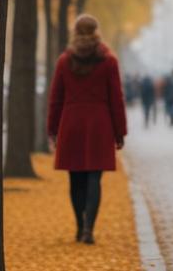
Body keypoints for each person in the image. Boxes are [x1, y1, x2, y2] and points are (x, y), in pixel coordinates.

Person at [47, 14, 127, 244]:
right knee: (94, 177)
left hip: (71, 122)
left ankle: (79, 225)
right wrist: (119, 132)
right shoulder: (108, 60)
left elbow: (56, 99)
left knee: (75, 178)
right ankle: (89, 229)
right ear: (96, 31)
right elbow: (116, 99)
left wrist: (53, 129)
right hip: (99, 124)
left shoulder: (65, 61)